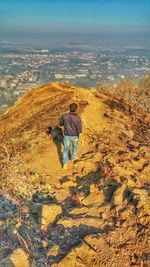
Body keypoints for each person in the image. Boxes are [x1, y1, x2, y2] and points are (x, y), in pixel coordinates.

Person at [59, 103, 82, 169]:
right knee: (75, 146)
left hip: (66, 135)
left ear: (69, 108)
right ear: (76, 109)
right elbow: (79, 128)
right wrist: (80, 134)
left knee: (66, 149)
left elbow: (61, 124)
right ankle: (73, 157)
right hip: (75, 135)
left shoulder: (64, 116)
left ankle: (65, 165)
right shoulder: (77, 118)